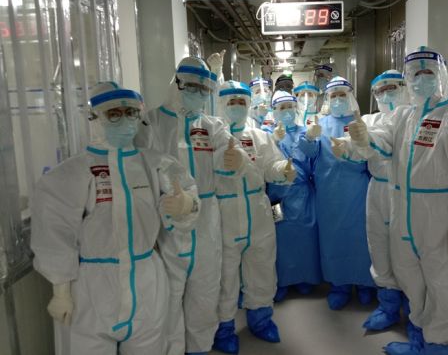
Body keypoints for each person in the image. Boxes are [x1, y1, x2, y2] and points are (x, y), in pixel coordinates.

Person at [347, 47, 448, 355]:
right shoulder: (404, 116)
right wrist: (365, 138)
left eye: (429, 72)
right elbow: (383, 141)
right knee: (410, 277)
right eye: (415, 74)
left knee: (446, 284)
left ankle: (439, 346)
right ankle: (419, 340)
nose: (421, 79)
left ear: (442, 74)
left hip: (443, 218)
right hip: (404, 214)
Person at [31, 82, 199, 354]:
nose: (125, 121)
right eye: (114, 114)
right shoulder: (72, 173)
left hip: (146, 280)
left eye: (131, 113)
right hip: (92, 287)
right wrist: (61, 290)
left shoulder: (155, 163)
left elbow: (187, 193)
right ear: (95, 118)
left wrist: (186, 205)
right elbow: (53, 232)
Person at [136, 55, 248, 355]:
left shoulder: (212, 125)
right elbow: (139, 167)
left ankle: (199, 346)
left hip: (207, 216)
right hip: (166, 217)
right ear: (177, 84)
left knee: (205, 285)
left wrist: (237, 160)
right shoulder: (151, 122)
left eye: (204, 89)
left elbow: (229, 149)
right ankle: (171, 349)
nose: (198, 94)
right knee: (168, 292)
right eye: (192, 87)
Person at [213, 81, 297, 354]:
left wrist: (282, 169)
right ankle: (224, 328)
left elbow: (271, 164)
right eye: (231, 102)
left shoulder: (259, 136)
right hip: (224, 211)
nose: (237, 107)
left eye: (242, 102)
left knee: (261, 266)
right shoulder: (210, 138)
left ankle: (261, 319)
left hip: (257, 208)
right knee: (226, 275)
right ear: (220, 104)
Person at [335, 71, 410, 331]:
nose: (387, 94)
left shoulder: (415, 118)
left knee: (407, 251)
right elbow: (358, 148)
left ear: (404, 87)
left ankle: (415, 312)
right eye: (381, 90)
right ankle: (388, 306)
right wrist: (345, 146)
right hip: (377, 188)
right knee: (378, 245)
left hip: (406, 192)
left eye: (392, 88)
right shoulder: (369, 119)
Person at [299, 76, 377, 310]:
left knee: (360, 238)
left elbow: (371, 153)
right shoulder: (320, 123)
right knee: (333, 239)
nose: (338, 99)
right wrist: (309, 136)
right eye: (334, 95)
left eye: (342, 94)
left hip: (357, 189)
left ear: (350, 96)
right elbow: (309, 153)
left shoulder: (361, 122)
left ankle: (365, 284)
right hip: (329, 191)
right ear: (327, 99)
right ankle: (339, 285)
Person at [267, 90, 323, 302]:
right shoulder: (267, 132)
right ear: (275, 111)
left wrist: (310, 138)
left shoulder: (304, 131)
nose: (287, 111)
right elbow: (262, 160)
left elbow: (313, 155)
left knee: (306, 235)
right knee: (279, 238)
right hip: (276, 196)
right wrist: (273, 140)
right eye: (282, 108)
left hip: (302, 193)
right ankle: (282, 280)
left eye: (290, 107)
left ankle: (305, 278)